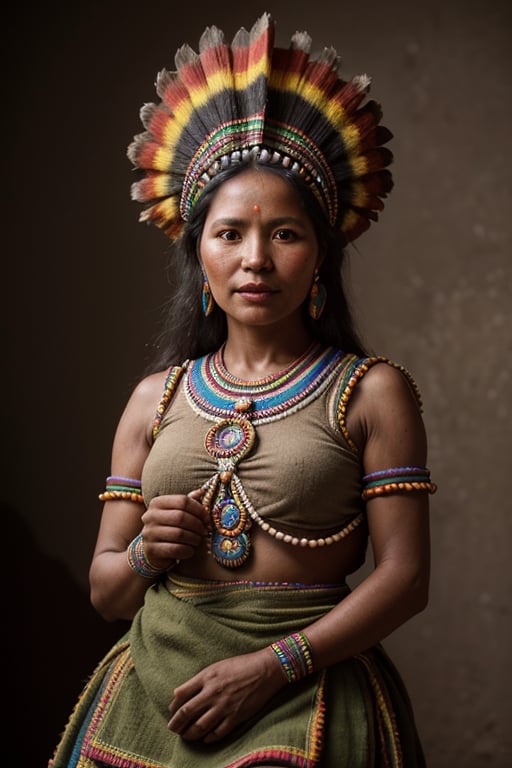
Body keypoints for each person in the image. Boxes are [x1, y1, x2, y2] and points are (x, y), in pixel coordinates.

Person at [49, 13, 436, 768]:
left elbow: (406, 577)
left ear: (321, 256)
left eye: (286, 234)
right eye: (229, 234)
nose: (256, 259)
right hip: (149, 694)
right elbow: (106, 594)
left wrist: (272, 667)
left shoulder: (372, 392)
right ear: (199, 255)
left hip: (307, 692)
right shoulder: (152, 400)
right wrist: (143, 558)